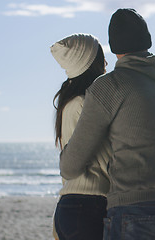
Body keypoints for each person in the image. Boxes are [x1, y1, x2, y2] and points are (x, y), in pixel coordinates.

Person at [59, 8, 155, 240]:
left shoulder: (109, 86)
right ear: (147, 40)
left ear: (114, 47)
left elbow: (71, 166)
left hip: (133, 210)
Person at [50, 33, 112, 240]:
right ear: (90, 64)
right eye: (101, 58)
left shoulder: (69, 103)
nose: (106, 63)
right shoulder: (86, 105)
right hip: (90, 207)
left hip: (71, 205)